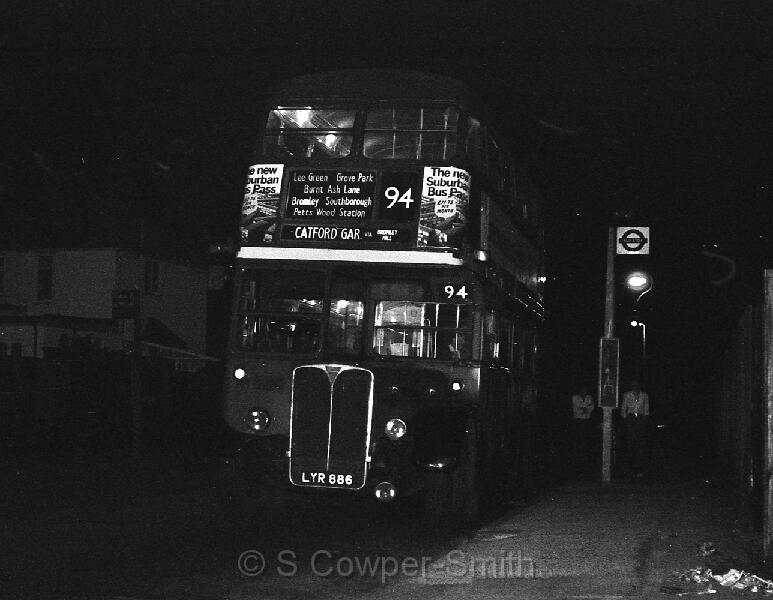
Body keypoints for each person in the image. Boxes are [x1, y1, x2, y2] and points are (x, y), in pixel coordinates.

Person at [621, 380, 650, 477]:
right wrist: (625, 418)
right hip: (631, 417)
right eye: (633, 385)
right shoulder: (627, 394)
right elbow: (624, 406)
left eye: (636, 385)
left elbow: (646, 407)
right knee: (631, 440)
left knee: (640, 441)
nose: (635, 386)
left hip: (640, 418)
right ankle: (630, 465)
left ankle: (639, 466)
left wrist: (645, 418)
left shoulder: (644, 395)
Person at [570, 387, 595, 476]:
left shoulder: (589, 397)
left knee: (586, 440)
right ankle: (577, 461)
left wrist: (585, 409)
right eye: (582, 390)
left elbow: (592, 407)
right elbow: (576, 409)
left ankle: (585, 460)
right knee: (578, 440)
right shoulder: (575, 397)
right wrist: (585, 409)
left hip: (586, 420)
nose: (584, 392)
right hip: (578, 421)